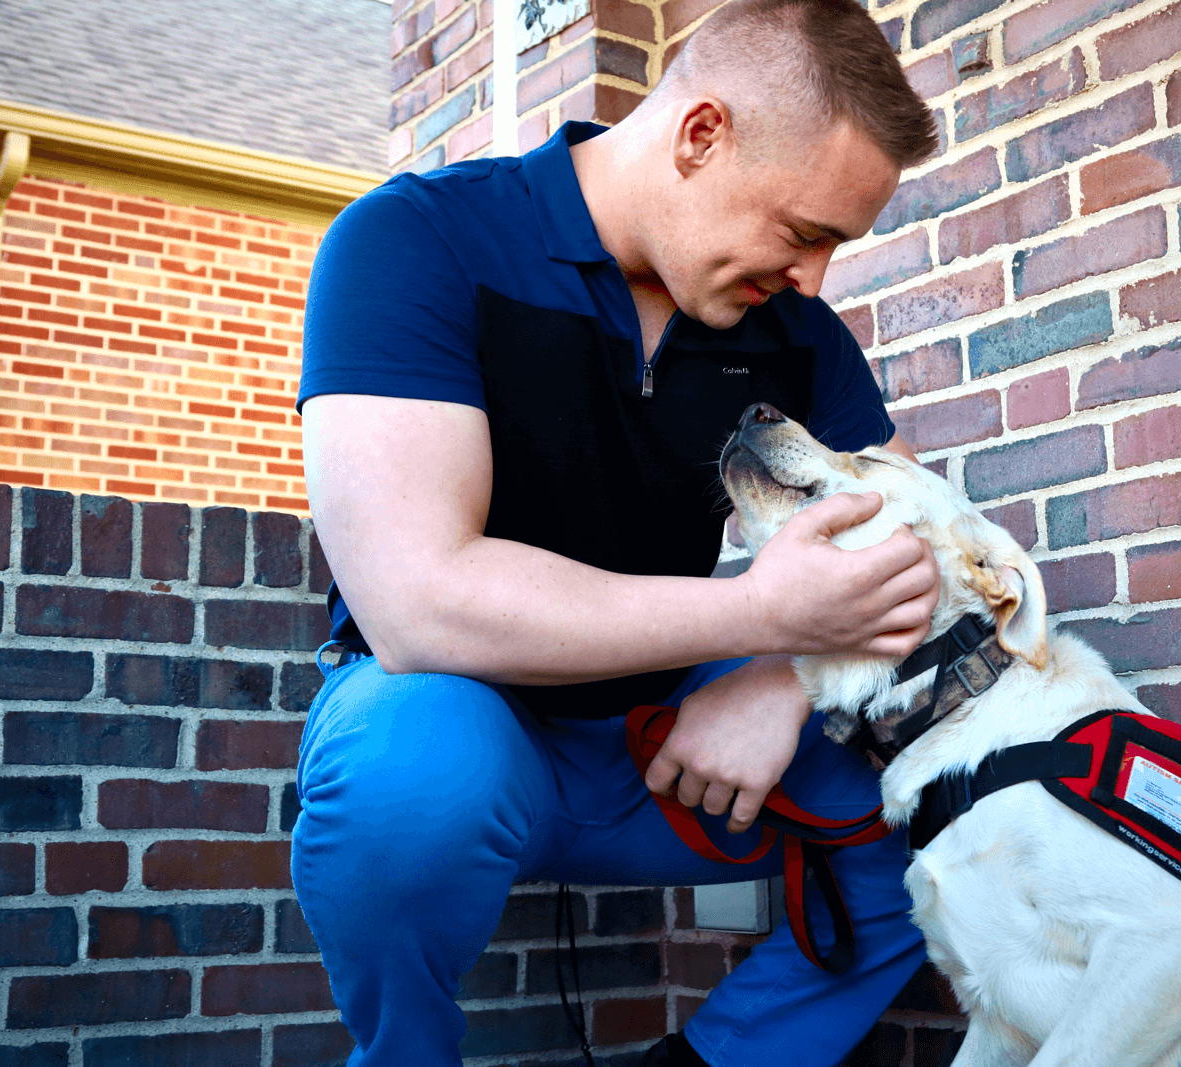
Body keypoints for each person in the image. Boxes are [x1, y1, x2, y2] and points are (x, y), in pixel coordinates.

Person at [293, 0, 943, 1063]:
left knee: (954, 796)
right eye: (804, 232)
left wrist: (783, 676)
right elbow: (418, 601)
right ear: (700, 134)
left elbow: (918, 546)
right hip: (456, 726)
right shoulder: (417, 240)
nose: (815, 281)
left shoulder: (796, 333)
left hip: (669, 751)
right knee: (414, 770)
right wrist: (758, 609)